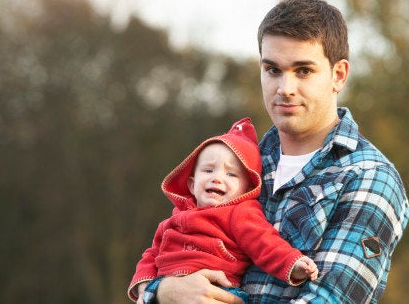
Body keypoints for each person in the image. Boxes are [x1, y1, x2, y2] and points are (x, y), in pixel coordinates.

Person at [154, 0, 409, 303]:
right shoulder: (237, 164)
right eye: (273, 69)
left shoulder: (368, 177)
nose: (285, 88)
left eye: (303, 71)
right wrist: (163, 291)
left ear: (338, 75)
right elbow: (171, 247)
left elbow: (329, 298)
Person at [127, 118, 319, 304]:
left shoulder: (240, 213)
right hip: (169, 291)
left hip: (219, 291)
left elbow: (266, 243)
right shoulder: (174, 219)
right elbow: (151, 255)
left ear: (247, 188)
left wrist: (293, 264)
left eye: (231, 174)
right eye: (208, 170)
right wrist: (144, 285)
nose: (217, 178)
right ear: (192, 185)